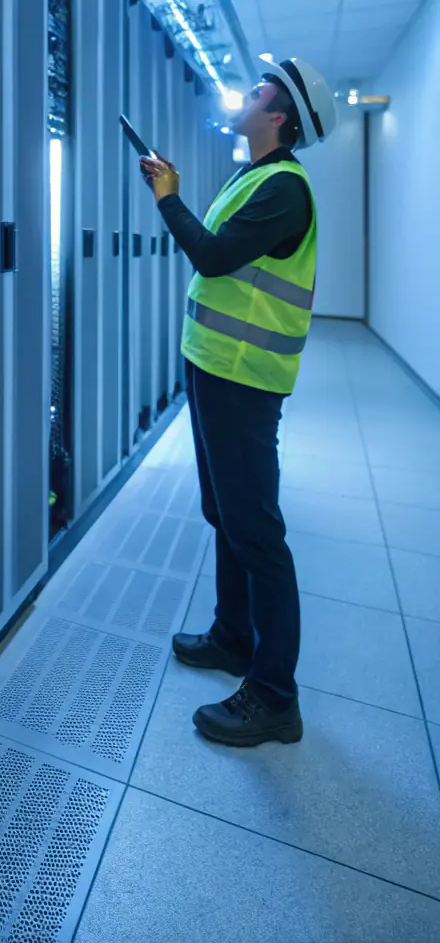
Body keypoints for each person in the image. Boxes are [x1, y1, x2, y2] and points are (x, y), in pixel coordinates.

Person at [141, 58, 337, 747]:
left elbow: (216, 257)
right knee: (223, 511)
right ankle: (233, 635)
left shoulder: (286, 187)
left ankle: (275, 695)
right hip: (212, 365)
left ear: (280, 115)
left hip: (245, 377)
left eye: (256, 91)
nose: (244, 95)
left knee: (257, 529)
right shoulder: (252, 175)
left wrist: (168, 198)